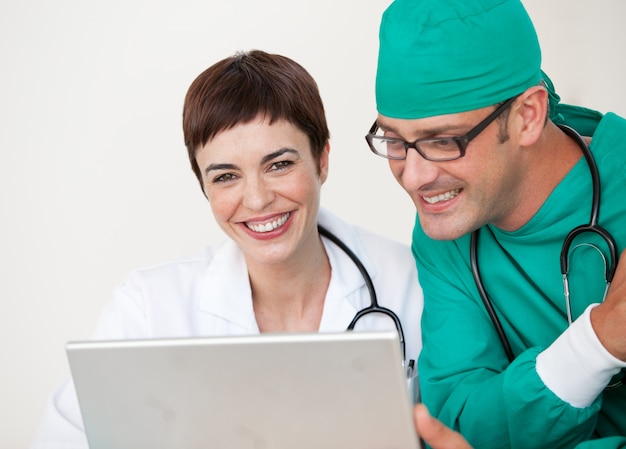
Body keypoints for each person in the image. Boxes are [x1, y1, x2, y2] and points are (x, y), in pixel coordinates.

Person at [31, 49, 471, 449]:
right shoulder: (147, 309)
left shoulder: (416, 284)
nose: (257, 200)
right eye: (225, 176)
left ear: (322, 159)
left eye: (279, 165)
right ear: (203, 185)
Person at [366, 0, 626, 448]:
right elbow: (457, 424)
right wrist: (598, 342)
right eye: (393, 140)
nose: (413, 177)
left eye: (444, 141)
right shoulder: (445, 230)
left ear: (527, 116)